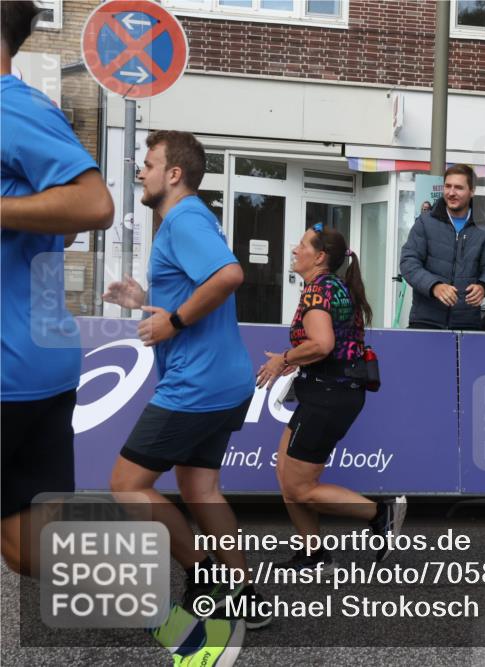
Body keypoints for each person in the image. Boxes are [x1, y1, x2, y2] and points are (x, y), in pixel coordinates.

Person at [103, 131, 269, 632]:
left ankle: (204, 576)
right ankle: (246, 596)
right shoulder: (191, 218)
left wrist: (172, 323)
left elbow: (229, 276)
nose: (142, 171)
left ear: (174, 174)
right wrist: (144, 300)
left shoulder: (184, 217)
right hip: (224, 380)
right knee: (201, 489)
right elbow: (195, 285)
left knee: (127, 486)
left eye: (149, 164)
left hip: (197, 384)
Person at [1, 0, 115, 575]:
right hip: (33, 361)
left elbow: (94, 204)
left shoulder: (11, 108)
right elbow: (63, 225)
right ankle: (188, 631)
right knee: (29, 551)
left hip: (12, 368)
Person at [256, 223, 406, 569]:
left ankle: (381, 513)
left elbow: (323, 344)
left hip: (329, 396)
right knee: (286, 475)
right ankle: (313, 553)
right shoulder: (332, 286)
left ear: (319, 256)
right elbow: (331, 345)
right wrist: (300, 360)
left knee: (299, 488)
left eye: (302, 245)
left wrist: (285, 359)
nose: (295, 249)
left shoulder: (318, 291)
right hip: (331, 392)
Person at [400, 164, 485, 330]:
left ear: (472, 191)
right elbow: (408, 262)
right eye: (447, 186)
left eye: (459, 188)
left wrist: (483, 286)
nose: (451, 193)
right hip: (425, 322)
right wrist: (434, 286)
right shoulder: (425, 222)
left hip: (467, 325)